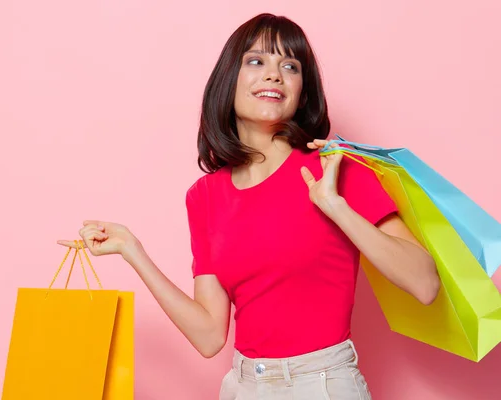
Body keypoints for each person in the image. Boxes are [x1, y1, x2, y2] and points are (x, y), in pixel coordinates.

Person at [58, 13, 440, 400]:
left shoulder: (334, 167)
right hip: (243, 386)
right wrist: (132, 250)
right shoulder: (204, 197)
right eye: (257, 61)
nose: (274, 74)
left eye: (289, 66)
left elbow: (424, 283)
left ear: (302, 92)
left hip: (322, 384)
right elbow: (209, 336)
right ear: (229, 81)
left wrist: (336, 206)